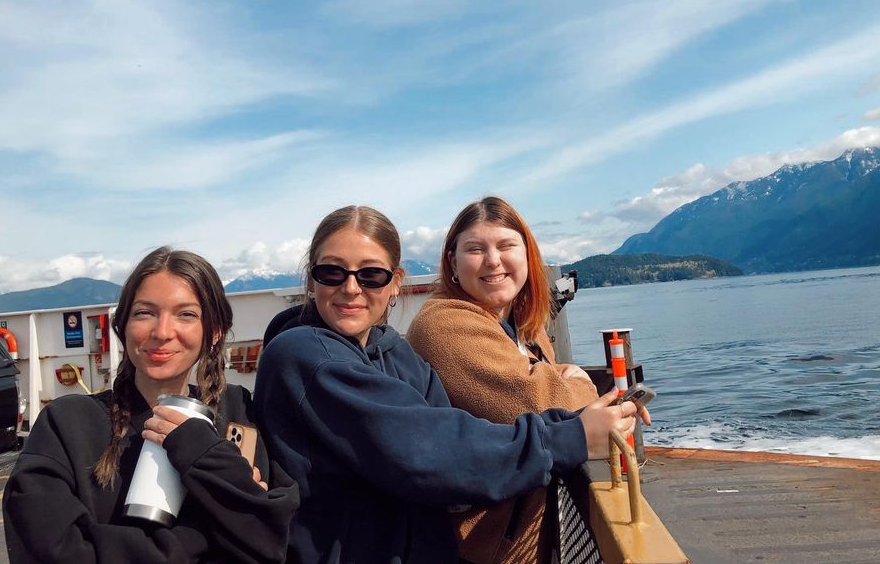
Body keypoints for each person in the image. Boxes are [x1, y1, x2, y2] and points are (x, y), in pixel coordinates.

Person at [253, 206, 640, 564]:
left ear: (394, 283)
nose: (351, 288)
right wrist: (572, 435)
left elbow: (453, 430)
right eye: (332, 272)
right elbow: (429, 450)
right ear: (311, 279)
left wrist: (578, 418)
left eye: (371, 274)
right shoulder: (306, 357)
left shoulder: (393, 352)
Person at [3, 247, 299, 564]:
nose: (161, 332)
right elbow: (52, 550)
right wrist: (204, 530)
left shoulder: (238, 412)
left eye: (186, 314)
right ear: (123, 326)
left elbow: (271, 543)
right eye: (145, 313)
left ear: (213, 332)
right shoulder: (67, 424)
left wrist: (203, 452)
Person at [406, 196, 651, 564]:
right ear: (452, 263)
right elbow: (542, 401)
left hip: (522, 534)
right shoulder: (443, 324)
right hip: (478, 548)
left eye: (506, 245)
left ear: (526, 255)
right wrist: (579, 382)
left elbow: (553, 396)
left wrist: (569, 386)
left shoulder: (522, 326)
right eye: (475, 249)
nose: (493, 260)